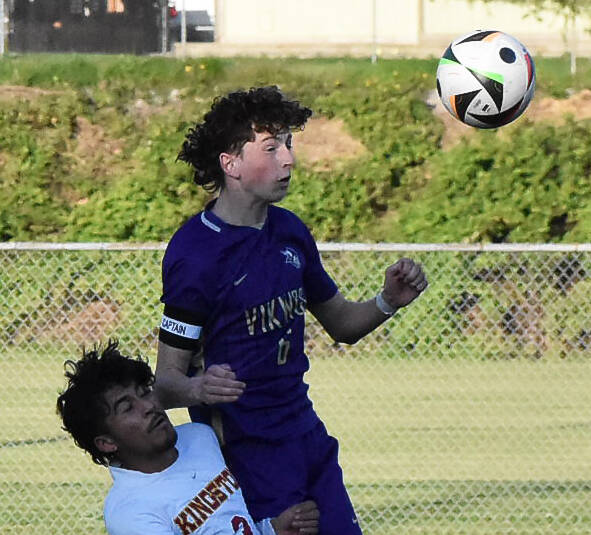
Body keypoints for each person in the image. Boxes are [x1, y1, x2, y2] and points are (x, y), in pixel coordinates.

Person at [155, 85, 428, 534]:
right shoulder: (196, 255)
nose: (288, 159)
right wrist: (200, 389)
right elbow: (165, 383)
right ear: (231, 163)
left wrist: (387, 302)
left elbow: (341, 324)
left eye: (289, 144)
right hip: (248, 454)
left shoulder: (289, 230)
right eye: (271, 147)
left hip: (307, 438)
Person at [56, 341, 320, 535]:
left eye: (144, 392)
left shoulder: (200, 438)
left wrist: (272, 530)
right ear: (106, 443)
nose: (148, 406)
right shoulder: (129, 512)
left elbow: (229, 524)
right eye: (127, 407)